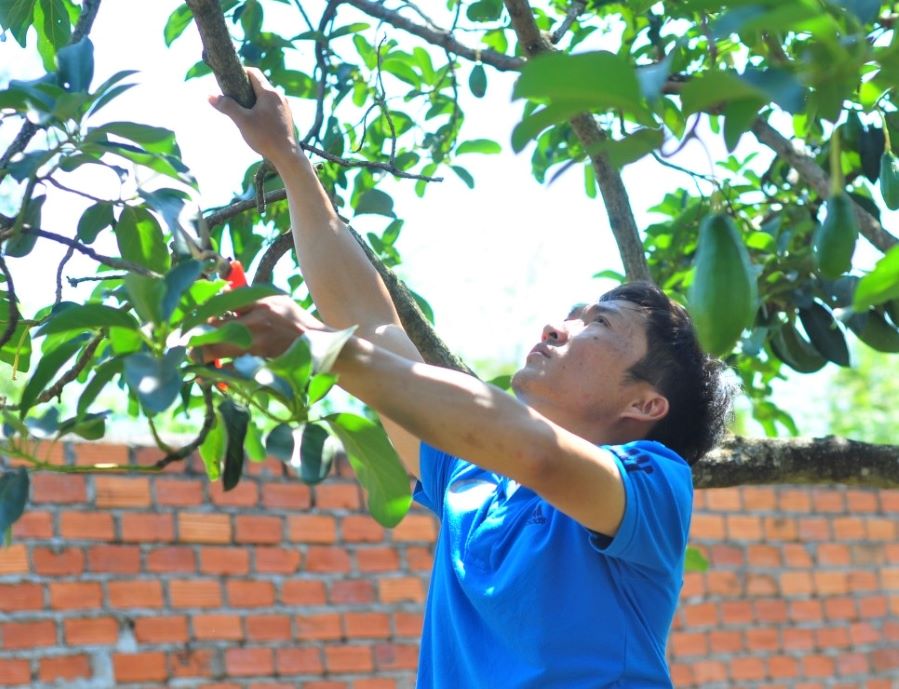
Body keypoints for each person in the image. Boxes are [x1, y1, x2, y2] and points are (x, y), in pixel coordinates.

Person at [206, 68, 733, 688]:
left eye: (598, 324)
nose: (556, 328)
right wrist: (289, 159)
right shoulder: (474, 480)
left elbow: (537, 452)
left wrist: (318, 347)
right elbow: (371, 325)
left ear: (646, 404)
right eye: (570, 314)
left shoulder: (654, 486)